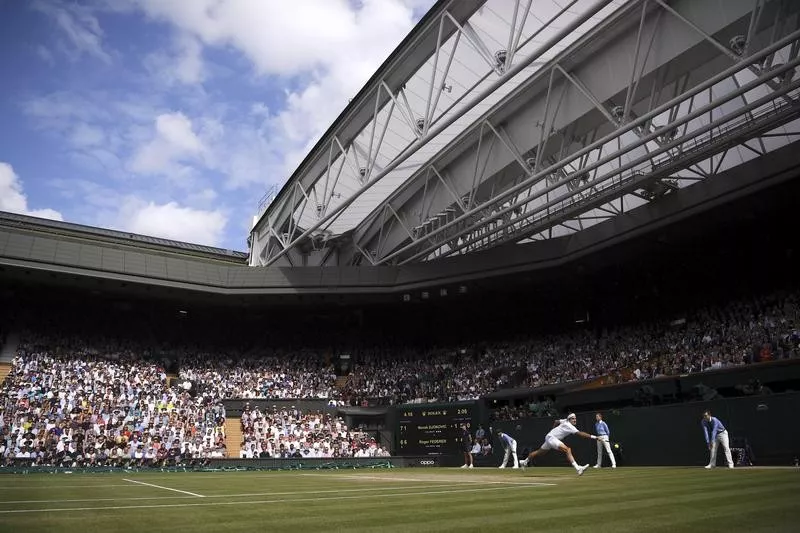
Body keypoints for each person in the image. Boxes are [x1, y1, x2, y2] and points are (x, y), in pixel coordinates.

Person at [519, 413, 596, 476]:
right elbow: (580, 434)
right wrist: (594, 437)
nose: (575, 420)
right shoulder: (569, 425)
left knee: (540, 452)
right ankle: (578, 469)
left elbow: (556, 421)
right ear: (569, 420)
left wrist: (552, 429)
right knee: (568, 449)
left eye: (575, 418)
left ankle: (524, 462)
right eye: (573, 418)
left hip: (549, 436)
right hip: (551, 438)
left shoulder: (565, 421)